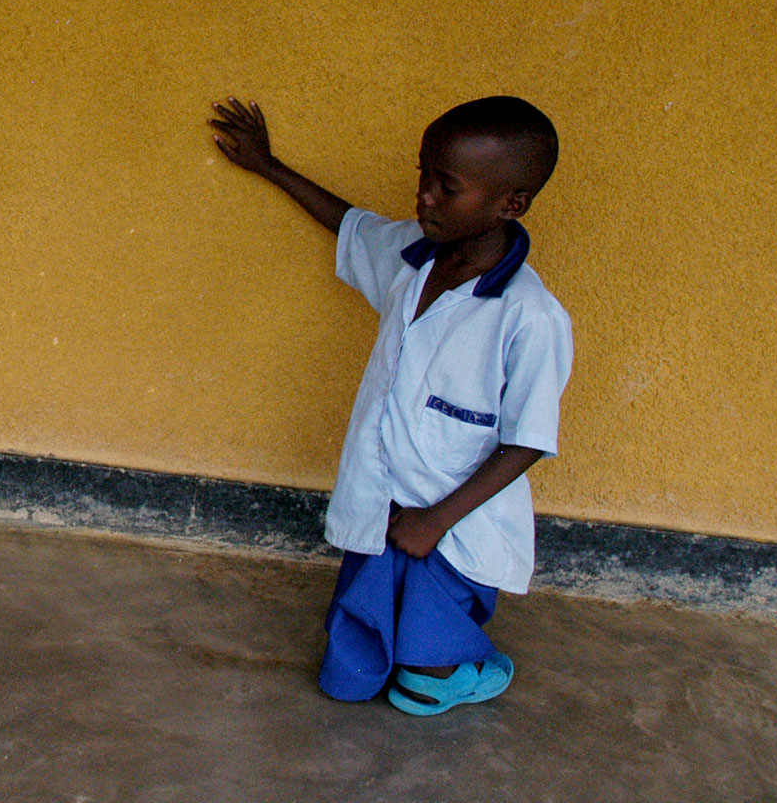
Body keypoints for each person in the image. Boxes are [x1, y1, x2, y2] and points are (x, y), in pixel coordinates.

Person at [209, 95, 572, 715]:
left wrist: (436, 520)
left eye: (446, 185)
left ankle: (449, 671)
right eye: (423, 175)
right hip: (381, 505)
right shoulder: (412, 255)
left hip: (451, 524)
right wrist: (268, 165)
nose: (424, 196)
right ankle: (399, 662)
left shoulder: (529, 316)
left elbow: (530, 439)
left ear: (510, 204)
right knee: (350, 665)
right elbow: (350, 222)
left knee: (423, 677)